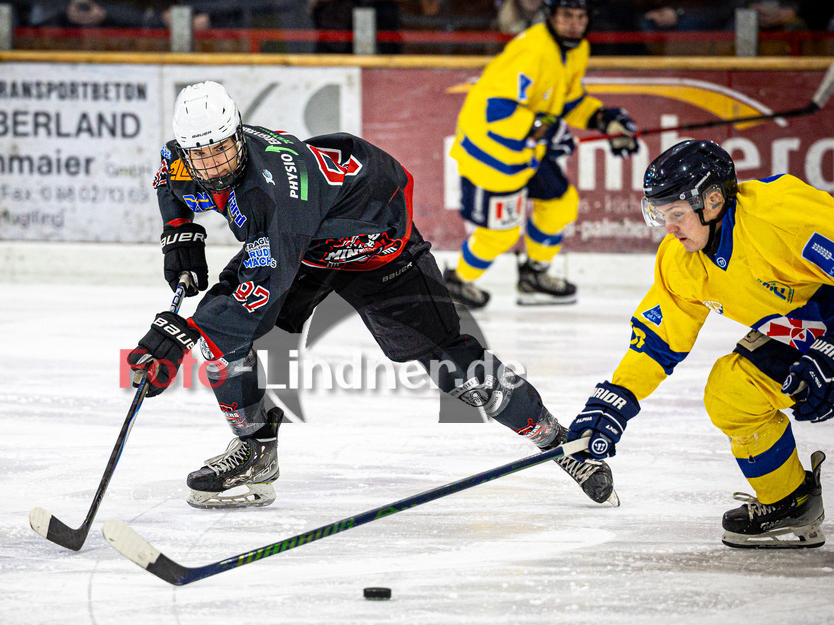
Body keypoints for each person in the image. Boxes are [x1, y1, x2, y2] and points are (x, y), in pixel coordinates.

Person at [127, 81, 619, 510]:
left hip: (377, 247)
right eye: (203, 154)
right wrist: (180, 233)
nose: (213, 164)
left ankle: (560, 443)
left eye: (223, 150)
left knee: (457, 370)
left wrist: (179, 333)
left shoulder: (275, 193)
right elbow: (169, 180)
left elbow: (262, 288)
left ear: (239, 132)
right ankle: (256, 451)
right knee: (220, 338)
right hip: (309, 246)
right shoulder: (183, 156)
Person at [567, 139, 832, 548]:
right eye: (660, 215)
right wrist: (615, 399)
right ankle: (789, 501)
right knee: (732, 390)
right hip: (810, 330)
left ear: (712, 201)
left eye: (675, 214)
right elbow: (656, 341)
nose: (668, 228)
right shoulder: (681, 260)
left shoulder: (782, 215)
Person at [444, 0, 640, 309]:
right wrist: (548, 130)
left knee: (561, 204)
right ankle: (458, 280)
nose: (574, 23)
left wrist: (605, 121)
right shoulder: (532, 51)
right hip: (491, 152)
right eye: (566, 16)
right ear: (550, 16)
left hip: (529, 148)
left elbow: (570, 100)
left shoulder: (576, 49)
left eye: (580, 16)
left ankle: (534, 276)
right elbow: (497, 109)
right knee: (501, 235)